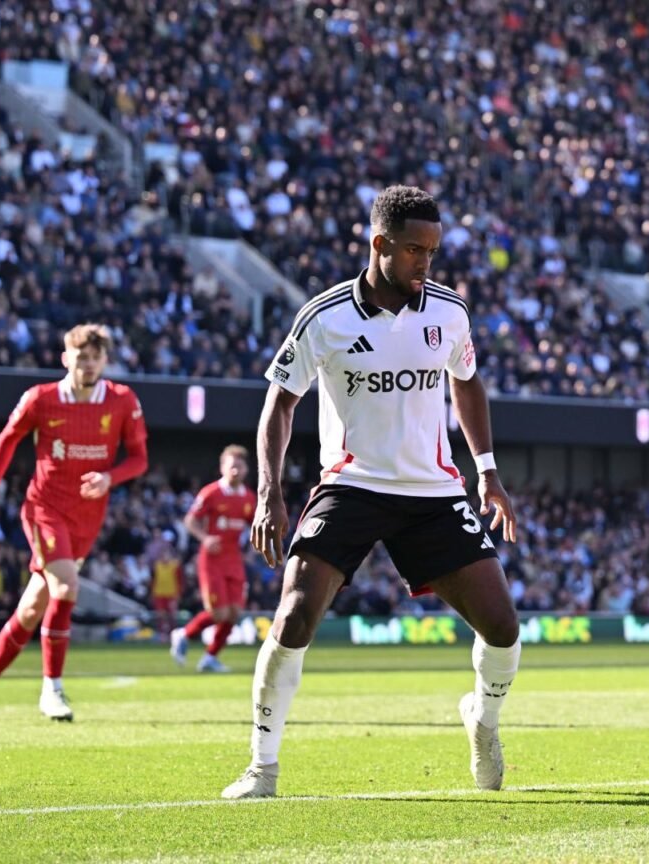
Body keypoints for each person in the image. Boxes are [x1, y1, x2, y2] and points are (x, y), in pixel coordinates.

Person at [221, 185, 521, 799]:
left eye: (433, 252)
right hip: (351, 484)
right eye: (414, 250)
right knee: (296, 613)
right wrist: (269, 492)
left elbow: (467, 384)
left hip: (433, 492)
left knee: (503, 627)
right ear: (379, 244)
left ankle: (483, 722)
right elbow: (279, 405)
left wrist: (487, 471)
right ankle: (262, 767)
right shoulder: (323, 317)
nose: (425, 264)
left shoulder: (449, 313)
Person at [0, 324, 150, 721]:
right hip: (44, 509)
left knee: (31, 610)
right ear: (66, 359)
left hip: (86, 518)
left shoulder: (122, 400)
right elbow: (8, 438)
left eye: (95, 358)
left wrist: (111, 477)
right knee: (66, 585)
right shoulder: (40, 399)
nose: (88, 365)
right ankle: (53, 689)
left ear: (105, 361)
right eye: (81, 358)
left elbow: (139, 458)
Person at [172, 444, 255, 672]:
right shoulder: (211, 493)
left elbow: (254, 525)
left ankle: (209, 657)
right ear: (223, 468)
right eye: (232, 466)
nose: (236, 470)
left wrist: (256, 546)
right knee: (219, 613)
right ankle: (183, 633)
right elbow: (190, 520)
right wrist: (205, 538)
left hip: (234, 559)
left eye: (240, 466)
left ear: (246, 469)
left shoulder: (248, 498)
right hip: (212, 559)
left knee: (235, 612)